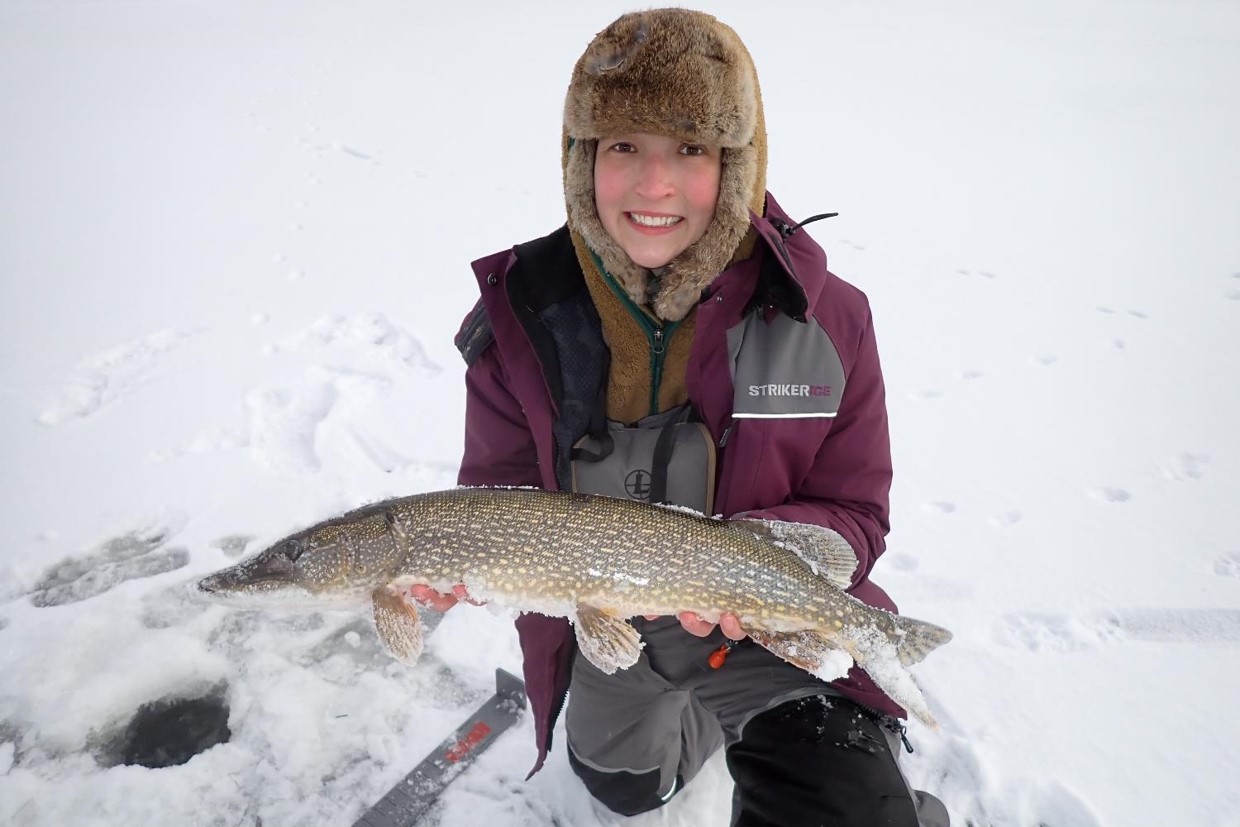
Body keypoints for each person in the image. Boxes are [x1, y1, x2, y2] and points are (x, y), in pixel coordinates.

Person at [418, 9, 950, 826]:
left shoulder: (829, 319)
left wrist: (766, 557)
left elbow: (856, 510)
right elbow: (500, 487)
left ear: (736, 163)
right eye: (624, 145)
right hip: (607, 615)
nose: (654, 185)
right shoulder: (517, 317)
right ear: (580, 159)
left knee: (847, 807)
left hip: (756, 622)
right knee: (627, 787)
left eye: (690, 150)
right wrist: (463, 555)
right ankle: (698, 721)